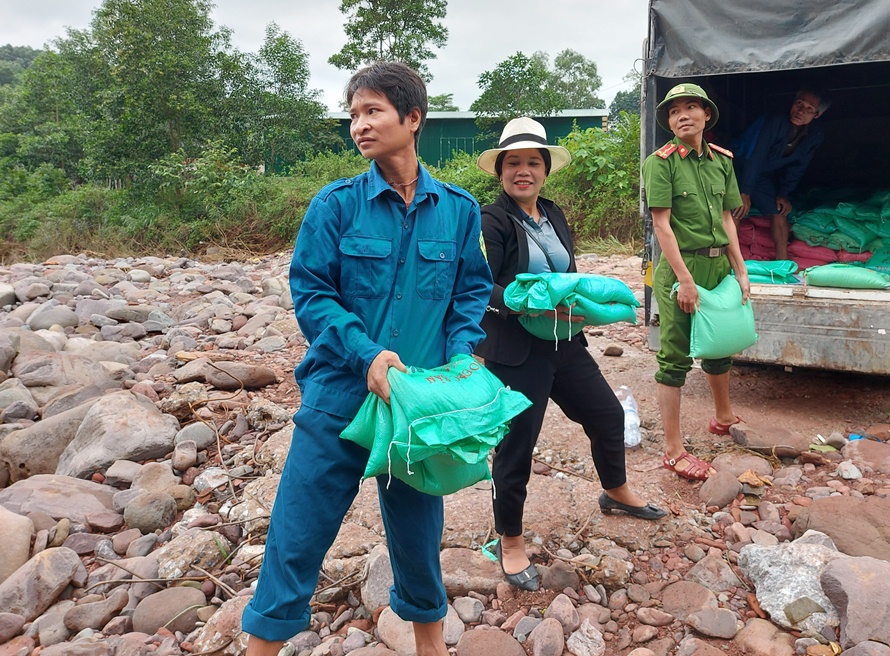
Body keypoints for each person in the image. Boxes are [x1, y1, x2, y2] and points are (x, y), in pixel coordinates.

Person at [241, 62, 492, 656]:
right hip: (340, 394)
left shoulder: (458, 210)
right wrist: (367, 353)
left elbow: (470, 293)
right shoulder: (335, 206)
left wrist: (460, 356)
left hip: (418, 402)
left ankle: (430, 646)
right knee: (297, 531)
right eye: (353, 114)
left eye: (372, 111)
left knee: (417, 533)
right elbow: (312, 292)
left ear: (413, 119)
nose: (359, 124)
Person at [476, 117, 666, 591]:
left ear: (545, 170)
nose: (524, 171)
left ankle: (615, 490)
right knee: (516, 448)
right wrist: (518, 304)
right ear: (500, 170)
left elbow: (571, 275)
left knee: (606, 415)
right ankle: (511, 540)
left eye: (533, 163)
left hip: (566, 344)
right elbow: (479, 286)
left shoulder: (553, 214)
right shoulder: (490, 220)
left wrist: (581, 310)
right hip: (517, 352)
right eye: (514, 163)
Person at [642, 83, 750, 480]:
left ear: (707, 115)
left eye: (690, 108)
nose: (682, 116)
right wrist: (685, 281)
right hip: (680, 268)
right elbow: (661, 225)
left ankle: (722, 417)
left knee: (720, 343)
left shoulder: (722, 160)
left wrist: (740, 271)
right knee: (674, 356)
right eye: (673, 112)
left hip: (718, 266)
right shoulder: (661, 161)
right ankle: (673, 449)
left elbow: (727, 219)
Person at [731, 89, 830, 259]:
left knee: (779, 210)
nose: (801, 111)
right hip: (738, 166)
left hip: (760, 172)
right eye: (799, 103)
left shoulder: (815, 135)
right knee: (737, 208)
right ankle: (730, 261)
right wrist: (745, 192)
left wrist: (784, 193)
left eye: (809, 109)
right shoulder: (776, 121)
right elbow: (757, 154)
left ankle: (782, 263)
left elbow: (799, 166)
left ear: (817, 115)